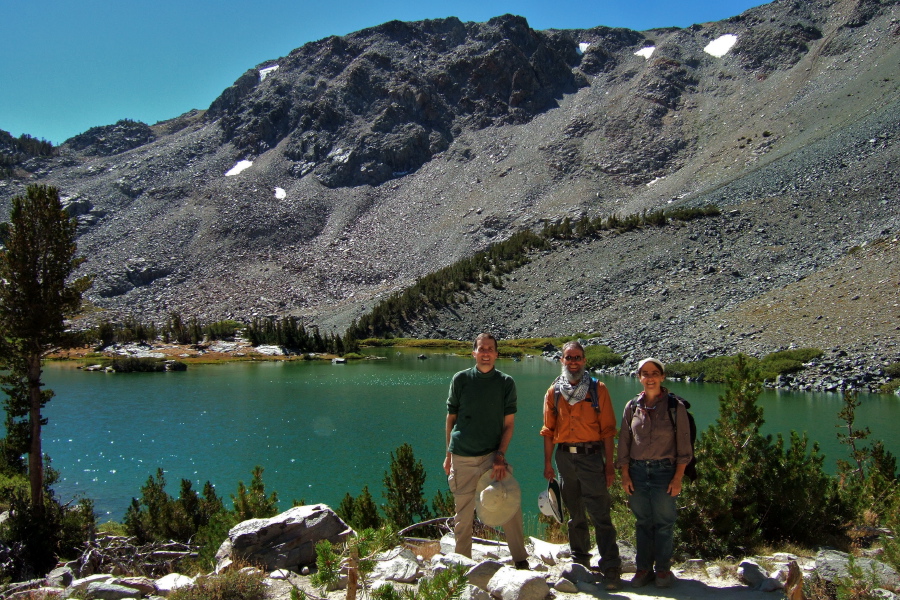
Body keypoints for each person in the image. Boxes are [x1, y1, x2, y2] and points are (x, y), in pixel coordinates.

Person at [540, 341, 622, 590]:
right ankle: (581, 560)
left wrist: (609, 465)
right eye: (568, 357)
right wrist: (547, 463)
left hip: (591, 456)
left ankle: (610, 565)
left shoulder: (598, 389)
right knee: (574, 512)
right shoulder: (554, 391)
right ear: (562, 360)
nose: (573, 362)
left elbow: (608, 429)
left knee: (600, 511)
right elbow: (548, 430)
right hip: (565, 458)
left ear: (584, 360)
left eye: (577, 357)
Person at [443, 333, 528, 568]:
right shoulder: (460, 379)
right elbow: (451, 418)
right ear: (474, 353)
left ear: (496, 354)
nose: (486, 353)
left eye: (490, 349)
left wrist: (500, 455)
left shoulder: (506, 383)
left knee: (509, 502)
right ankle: (462, 566)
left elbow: (508, 424)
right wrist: (448, 455)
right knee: (463, 515)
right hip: (462, 456)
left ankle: (520, 560)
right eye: (482, 349)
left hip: (492, 456)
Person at [616, 357, 693, 589]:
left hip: (664, 472)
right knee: (642, 522)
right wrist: (625, 474)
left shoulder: (674, 407)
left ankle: (662, 570)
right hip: (637, 472)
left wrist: (678, 477)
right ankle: (642, 569)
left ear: (662, 377)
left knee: (664, 522)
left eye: (654, 373)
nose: (649, 378)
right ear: (639, 377)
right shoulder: (632, 406)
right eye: (645, 374)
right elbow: (625, 441)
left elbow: (684, 446)